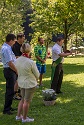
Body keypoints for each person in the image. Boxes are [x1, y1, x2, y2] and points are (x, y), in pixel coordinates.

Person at [15, 43, 39, 123]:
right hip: (30, 83)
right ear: (29, 50)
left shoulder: (17, 60)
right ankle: (24, 118)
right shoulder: (30, 62)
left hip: (21, 82)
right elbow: (37, 74)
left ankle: (18, 116)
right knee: (26, 101)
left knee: (22, 99)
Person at [1, 34, 17, 115]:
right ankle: (6, 109)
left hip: (10, 70)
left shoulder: (7, 48)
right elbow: (10, 63)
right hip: (10, 70)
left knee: (10, 89)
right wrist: (17, 71)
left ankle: (9, 106)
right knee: (10, 90)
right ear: (11, 40)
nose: (14, 43)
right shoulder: (6, 49)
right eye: (14, 41)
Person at [12, 33, 25, 100]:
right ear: (19, 38)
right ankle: (15, 94)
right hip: (16, 64)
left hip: (21, 64)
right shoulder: (15, 45)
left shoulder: (21, 45)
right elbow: (15, 56)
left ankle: (19, 92)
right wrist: (24, 57)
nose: (24, 39)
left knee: (20, 79)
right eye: (23, 38)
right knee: (17, 79)